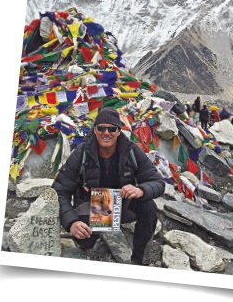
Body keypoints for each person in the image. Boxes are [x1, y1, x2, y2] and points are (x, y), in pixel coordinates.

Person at [52, 107, 165, 266]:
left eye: (112, 129)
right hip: (91, 206)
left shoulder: (131, 151)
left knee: (149, 207)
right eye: (101, 128)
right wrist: (72, 223)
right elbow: (59, 191)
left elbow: (158, 182)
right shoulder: (82, 153)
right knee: (85, 241)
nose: (106, 133)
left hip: (122, 204)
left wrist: (140, 190)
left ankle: (140, 262)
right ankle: (91, 238)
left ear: (119, 131)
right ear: (95, 130)